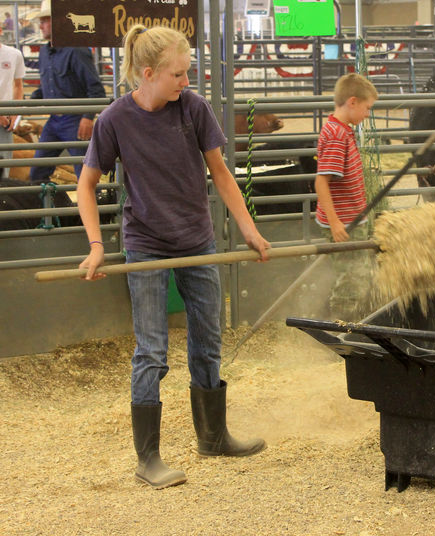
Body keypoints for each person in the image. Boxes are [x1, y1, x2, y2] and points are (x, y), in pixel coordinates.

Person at [77, 24, 270, 490]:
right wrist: (98, 246)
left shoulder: (195, 108)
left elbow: (221, 174)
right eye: (179, 74)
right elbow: (85, 185)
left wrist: (248, 229)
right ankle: (148, 459)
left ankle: (213, 436)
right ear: (149, 73)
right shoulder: (114, 120)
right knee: (152, 352)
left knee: (207, 341)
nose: (187, 81)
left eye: (188, 72)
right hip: (146, 244)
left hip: (197, 241)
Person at [314, 73, 379, 321]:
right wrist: (335, 223)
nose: (367, 114)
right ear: (352, 101)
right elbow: (321, 182)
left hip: (352, 219)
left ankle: (350, 322)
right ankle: (340, 327)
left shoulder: (343, 130)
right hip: (343, 224)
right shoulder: (336, 136)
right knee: (353, 278)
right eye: (367, 108)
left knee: (359, 274)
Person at [27, 0, 106, 184]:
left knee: (84, 175)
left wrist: (87, 117)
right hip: (54, 120)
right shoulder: (44, 53)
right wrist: (34, 99)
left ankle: (91, 212)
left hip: (75, 120)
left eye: (45, 20)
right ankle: (53, 212)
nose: (41, 25)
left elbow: (96, 89)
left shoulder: (76, 51)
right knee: (37, 173)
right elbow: (49, 84)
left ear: (58, 22)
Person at [0, 25, 25, 179]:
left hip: (5, 122)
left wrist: (15, 112)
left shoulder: (14, 54)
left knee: (4, 166)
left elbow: (18, 85)